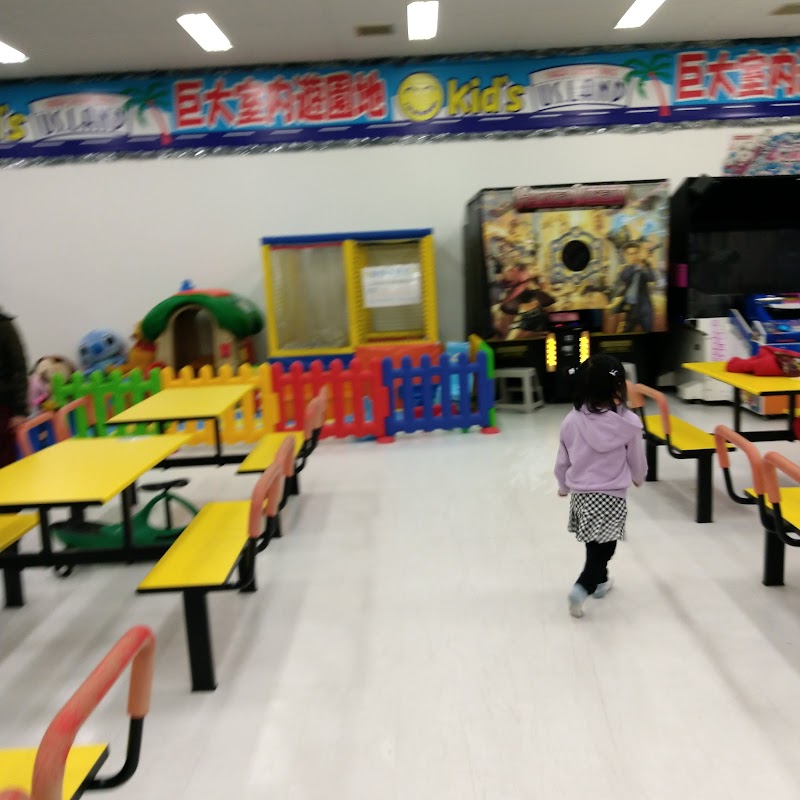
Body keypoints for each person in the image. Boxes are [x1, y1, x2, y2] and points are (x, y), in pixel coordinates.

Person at [554, 354, 647, 618]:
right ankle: (583, 586)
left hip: (582, 496)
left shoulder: (571, 420)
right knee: (605, 547)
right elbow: (636, 458)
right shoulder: (628, 423)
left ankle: (601, 581)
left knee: (593, 543)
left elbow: (562, 460)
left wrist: (563, 486)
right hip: (611, 495)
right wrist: (639, 476)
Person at [0, 309, 28, 467]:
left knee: (5, 464)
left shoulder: (4, 325)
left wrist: (19, 411)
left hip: (3, 406)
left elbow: (18, 369)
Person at [610, 242, 656, 332]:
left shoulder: (645, 266)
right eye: (630, 254)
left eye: (635, 253)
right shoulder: (627, 269)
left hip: (644, 309)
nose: (633, 256)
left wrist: (643, 266)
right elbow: (624, 277)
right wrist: (636, 267)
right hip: (631, 309)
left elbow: (651, 277)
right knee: (626, 333)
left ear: (639, 253)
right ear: (626, 257)